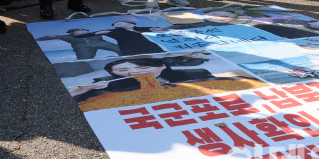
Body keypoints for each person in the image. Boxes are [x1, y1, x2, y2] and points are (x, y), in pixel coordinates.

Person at [68, 58, 216, 101]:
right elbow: (73, 94)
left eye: (142, 68)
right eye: (122, 70)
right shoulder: (107, 83)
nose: (132, 72)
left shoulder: (197, 73)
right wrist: (85, 87)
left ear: (162, 66)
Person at [36, 28, 124, 60]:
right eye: (77, 32)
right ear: (73, 33)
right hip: (83, 48)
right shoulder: (67, 37)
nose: (81, 32)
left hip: (101, 44)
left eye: (83, 31)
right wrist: (37, 39)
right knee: (84, 60)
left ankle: (124, 56)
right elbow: (53, 36)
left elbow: (111, 31)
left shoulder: (96, 33)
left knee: (121, 49)